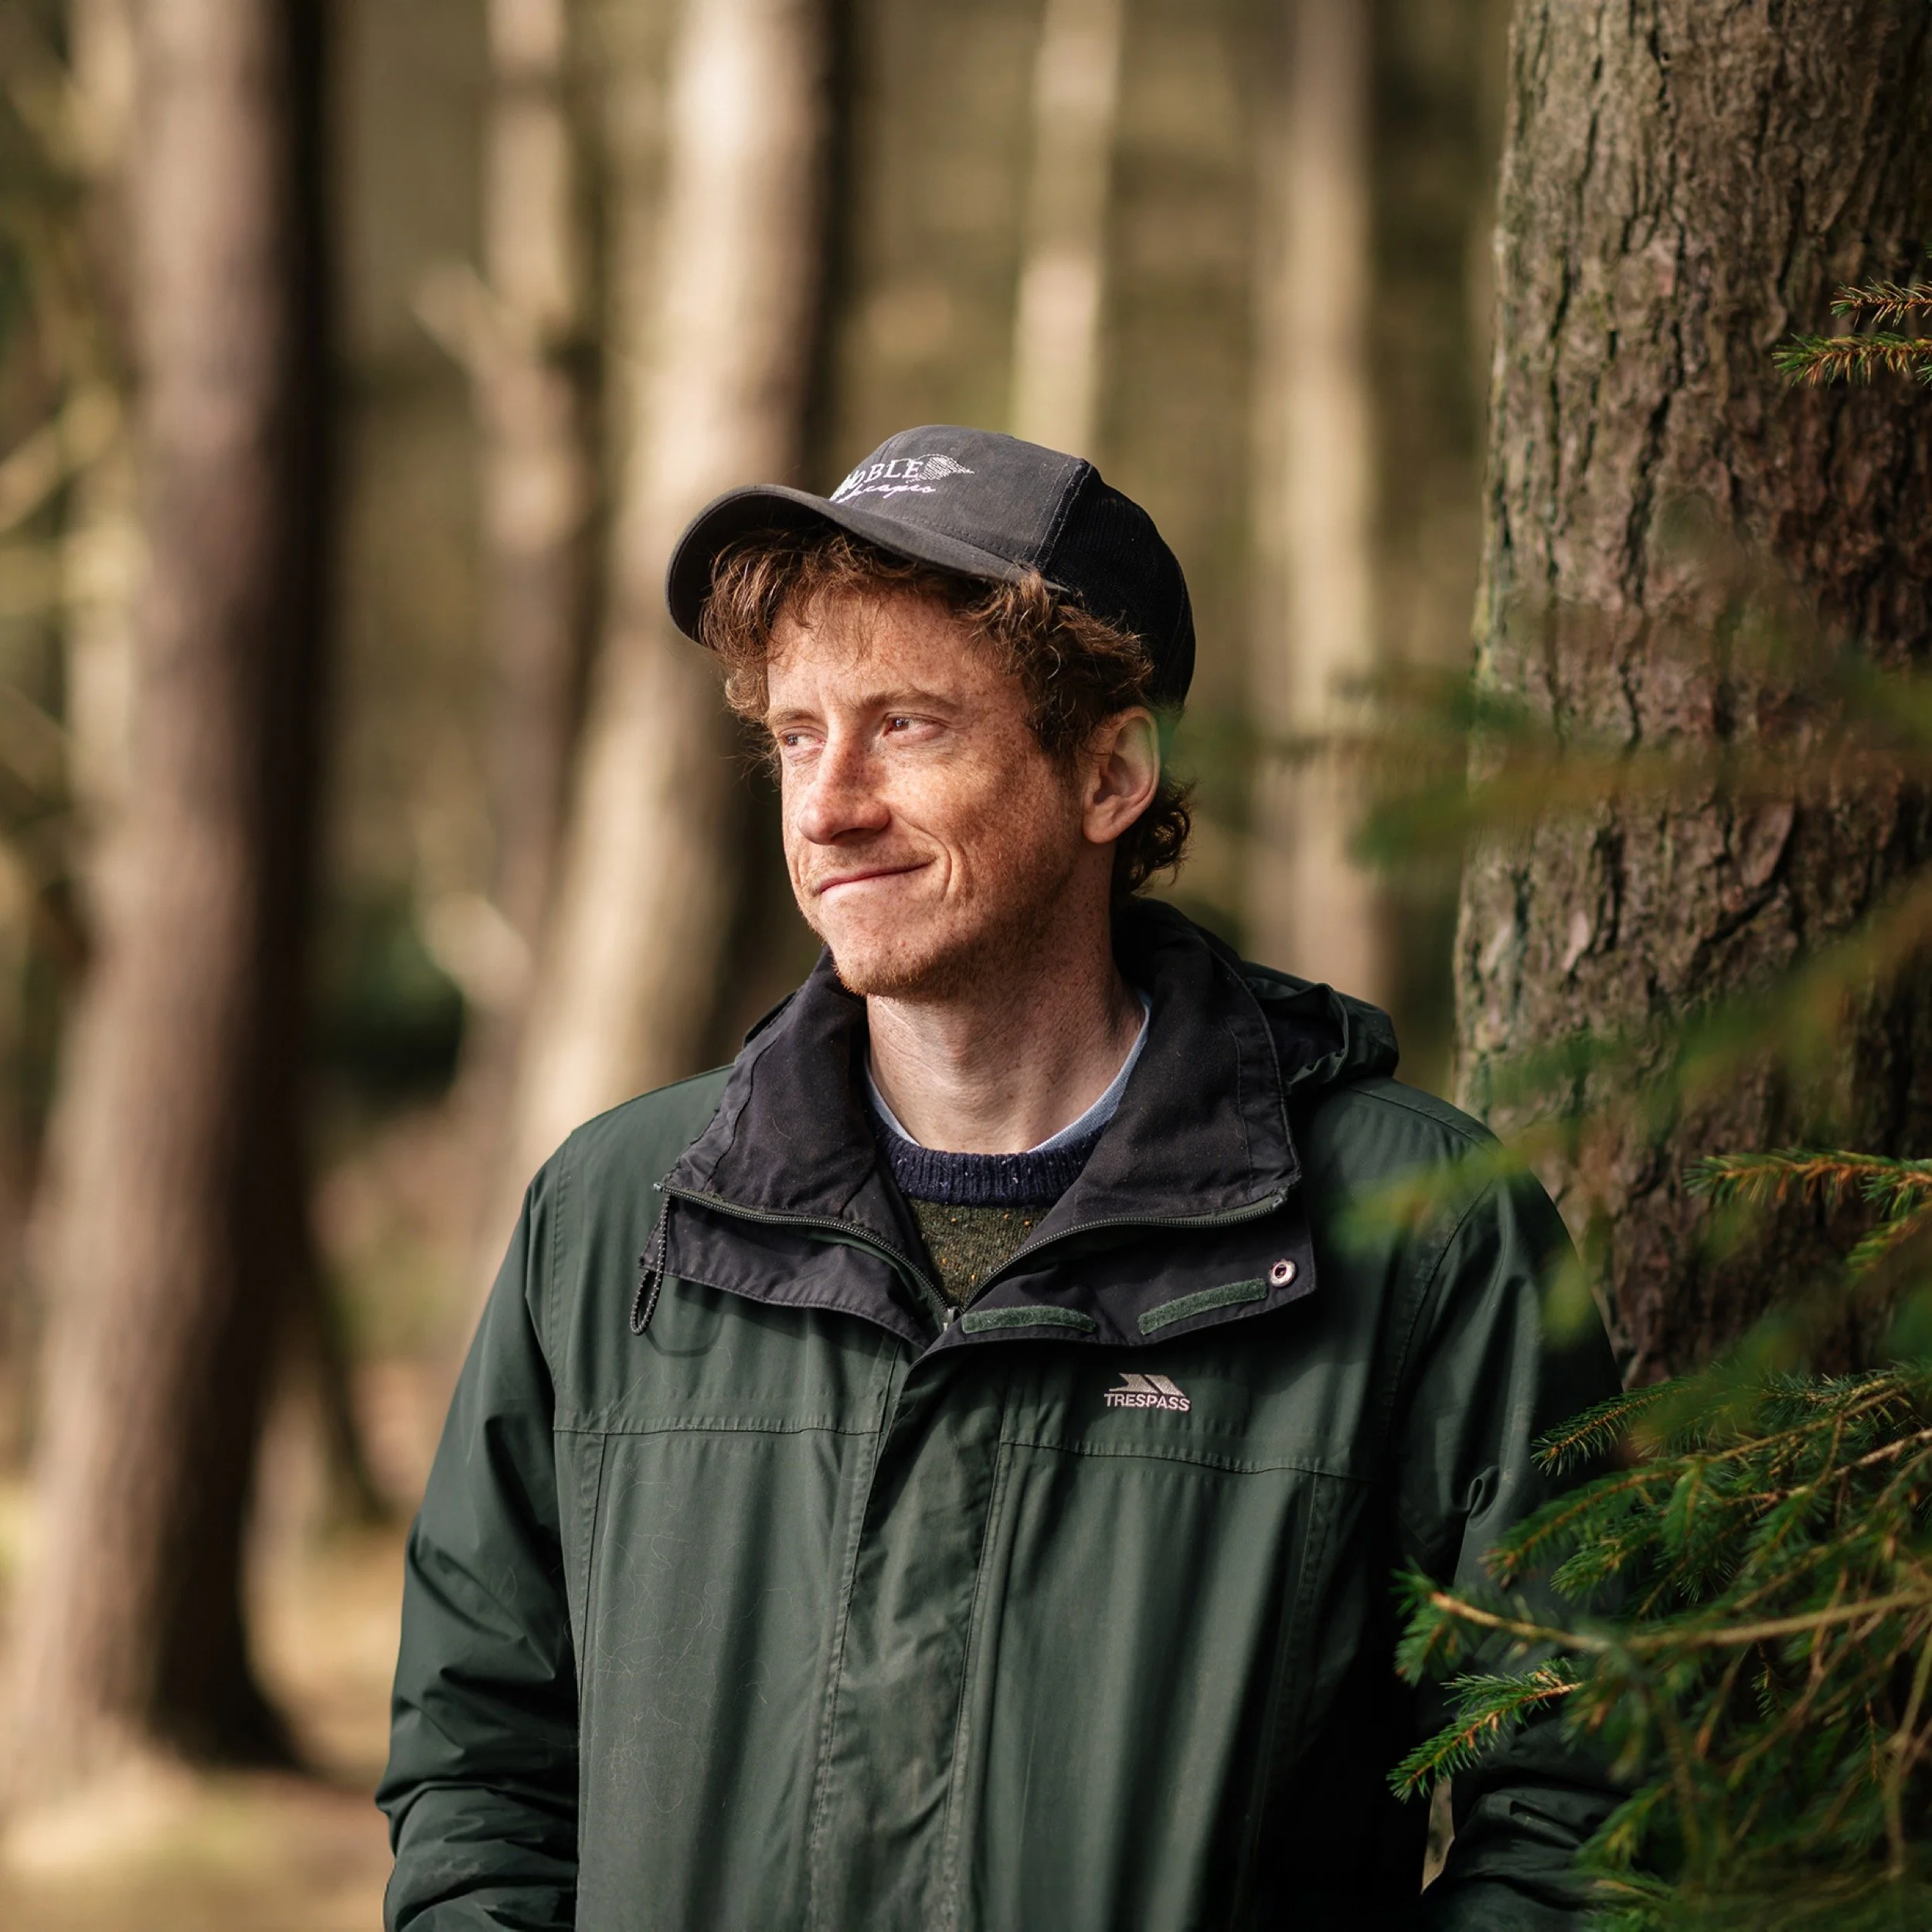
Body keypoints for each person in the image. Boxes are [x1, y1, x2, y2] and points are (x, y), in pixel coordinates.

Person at [379, 426, 1621, 1930]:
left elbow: (1579, 1804)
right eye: (793, 732)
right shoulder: (616, 1216)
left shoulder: (1413, 1236)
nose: (826, 801)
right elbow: (478, 1766)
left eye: (903, 726)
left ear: (1108, 770)